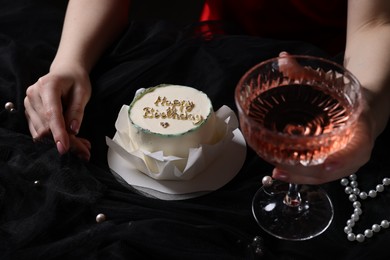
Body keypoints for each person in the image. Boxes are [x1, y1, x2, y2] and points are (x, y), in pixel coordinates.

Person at [24, 0, 390, 185]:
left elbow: (375, 21)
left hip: (339, 67)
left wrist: (366, 106)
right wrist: (70, 64)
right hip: (214, 53)